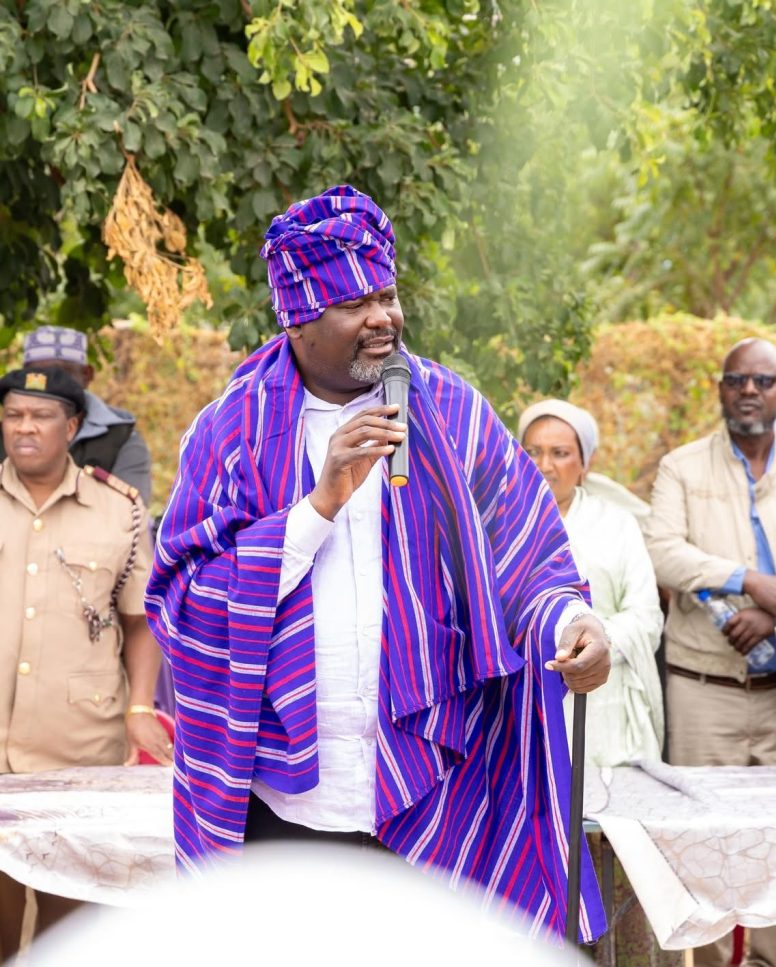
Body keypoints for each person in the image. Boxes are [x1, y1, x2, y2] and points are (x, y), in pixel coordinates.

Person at [144, 185, 610, 941]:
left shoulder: (453, 413)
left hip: (439, 788)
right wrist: (315, 508)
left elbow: (529, 559)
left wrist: (573, 620)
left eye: (388, 293)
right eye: (355, 302)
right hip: (283, 800)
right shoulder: (229, 431)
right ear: (298, 319)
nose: (384, 317)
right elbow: (181, 604)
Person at [642, 338, 776, 967]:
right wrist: (747, 578)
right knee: (703, 849)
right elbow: (660, 549)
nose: (749, 391)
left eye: (762, 381)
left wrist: (771, 612)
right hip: (702, 689)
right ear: (720, 388)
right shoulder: (681, 468)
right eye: (737, 379)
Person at [0, 366, 170, 960]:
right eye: (14, 415)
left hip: (76, 748)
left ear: (71, 426)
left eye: (41, 417)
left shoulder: (117, 510)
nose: (25, 428)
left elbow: (139, 620)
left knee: (69, 930)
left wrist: (141, 706)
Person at [519, 399, 664, 765]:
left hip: (605, 702)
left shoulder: (617, 525)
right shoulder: (498, 527)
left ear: (584, 464)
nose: (544, 465)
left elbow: (646, 614)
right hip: (522, 699)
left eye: (560, 453)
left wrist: (595, 645)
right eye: (532, 451)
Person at [0, 325, 153, 505]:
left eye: (62, 374)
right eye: (41, 375)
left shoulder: (122, 438)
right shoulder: (9, 431)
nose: (50, 384)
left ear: (87, 375)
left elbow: (130, 515)